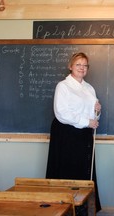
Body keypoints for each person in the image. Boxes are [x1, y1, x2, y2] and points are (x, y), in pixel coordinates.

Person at [46, 52, 102, 213]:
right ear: (70, 66)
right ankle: (64, 209)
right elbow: (61, 113)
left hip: (84, 135)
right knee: (67, 170)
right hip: (66, 135)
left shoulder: (89, 88)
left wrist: (97, 111)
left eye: (85, 65)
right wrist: (87, 122)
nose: (82, 68)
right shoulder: (63, 86)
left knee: (84, 171)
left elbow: (94, 116)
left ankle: (84, 208)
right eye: (78, 64)